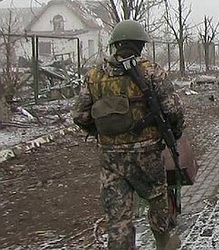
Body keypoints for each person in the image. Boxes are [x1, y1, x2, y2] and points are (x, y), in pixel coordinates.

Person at [71, 20, 184, 250]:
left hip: (111, 159)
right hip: (147, 153)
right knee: (156, 199)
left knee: (119, 218)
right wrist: (173, 133)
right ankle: (163, 242)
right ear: (140, 45)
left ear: (115, 45)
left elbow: (79, 115)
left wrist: (103, 134)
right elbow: (173, 110)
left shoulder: (94, 76)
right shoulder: (151, 71)